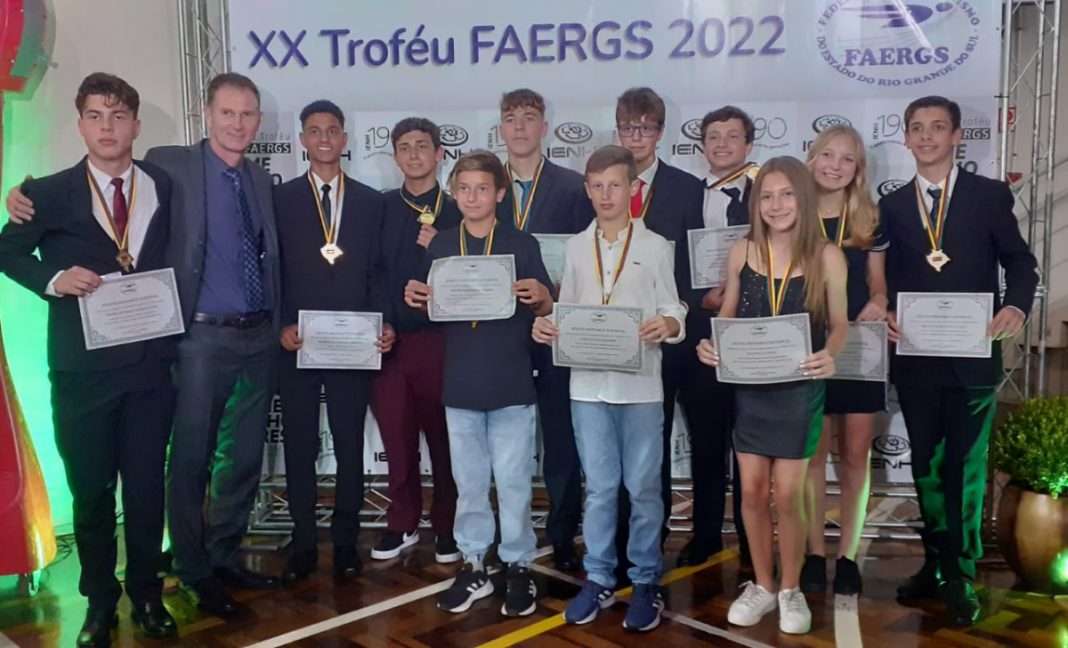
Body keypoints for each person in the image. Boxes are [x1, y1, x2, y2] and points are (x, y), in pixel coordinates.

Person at [0, 72, 178, 646]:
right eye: (96, 116)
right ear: (80, 125)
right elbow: (6, 250)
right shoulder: (47, 192)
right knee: (92, 492)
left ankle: (147, 594)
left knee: (147, 490)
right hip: (82, 373)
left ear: (136, 126)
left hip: (150, 368)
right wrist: (53, 278)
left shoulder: (163, 184)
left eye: (118, 116)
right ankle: (99, 602)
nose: (108, 127)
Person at [883, 96, 1038, 626]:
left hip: (972, 357)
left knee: (965, 468)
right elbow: (885, 277)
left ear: (956, 137)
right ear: (906, 138)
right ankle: (935, 562)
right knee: (926, 468)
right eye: (917, 128)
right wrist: (885, 311)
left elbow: (1020, 262)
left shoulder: (989, 196)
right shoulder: (892, 205)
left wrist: (1016, 305)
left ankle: (961, 572)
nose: (926, 136)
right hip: (917, 358)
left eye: (938, 127)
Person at [533, 145, 686, 631]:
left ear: (632, 189)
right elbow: (569, 309)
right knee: (599, 490)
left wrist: (669, 323)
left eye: (615, 185)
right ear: (587, 190)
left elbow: (675, 307)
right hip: (587, 387)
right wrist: (547, 324)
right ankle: (598, 577)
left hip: (640, 388)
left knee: (643, 490)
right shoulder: (576, 248)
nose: (606, 194)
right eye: (597, 186)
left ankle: (645, 581)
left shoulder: (656, 246)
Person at [697, 156, 848, 635]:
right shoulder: (742, 250)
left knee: (787, 494)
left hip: (800, 388)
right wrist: (710, 344)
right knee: (751, 490)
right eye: (766, 196)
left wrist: (831, 354)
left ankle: (790, 588)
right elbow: (729, 315)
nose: (776, 205)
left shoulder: (827, 255)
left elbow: (840, 323)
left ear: (802, 198)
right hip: (751, 387)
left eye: (786, 195)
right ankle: (762, 585)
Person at [404, 150, 553, 617]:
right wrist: (415, 298)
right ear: (453, 193)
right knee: (468, 483)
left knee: (513, 483)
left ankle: (519, 565)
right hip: (461, 382)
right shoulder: (441, 246)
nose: (473, 197)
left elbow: (546, 306)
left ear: (500, 194)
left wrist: (542, 297)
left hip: (510, 380)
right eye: (464, 188)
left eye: (482, 188)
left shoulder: (521, 243)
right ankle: (473, 565)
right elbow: (429, 309)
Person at [274, 99, 395, 582]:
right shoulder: (281, 199)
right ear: (302, 139)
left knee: (348, 443)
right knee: (300, 444)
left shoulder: (370, 201)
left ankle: (346, 539)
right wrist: (281, 324)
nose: (324, 138)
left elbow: (379, 271)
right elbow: (273, 270)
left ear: (345, 139)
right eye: (314, 130)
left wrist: (384, 323)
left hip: (353, 344)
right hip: (298, 342)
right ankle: (304, 540)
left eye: (332, 130)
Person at [494, 88, 594, 571]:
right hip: (500, 335)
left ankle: (563, 532)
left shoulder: (573, 187)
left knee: (560, 439)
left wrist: (560, 291)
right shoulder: (482, 187)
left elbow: (588, 258)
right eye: (511, 118)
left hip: (556, 329)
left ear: (544, 127)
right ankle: (507, 531)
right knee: (505, 443)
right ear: (500, 128)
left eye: (529, 117)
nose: (519, 127)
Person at [612, 87, 704, 568]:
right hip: (618, 341)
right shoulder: (605, 186)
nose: (636, 137)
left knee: (663, 442)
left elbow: (694, 265)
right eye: (628, 128)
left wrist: (675, 318)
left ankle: (665, 533)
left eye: (645, 128)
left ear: (661, 133)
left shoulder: (686, 188)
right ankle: (626, 534)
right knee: (628, 445)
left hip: (672, 336)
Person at [800, 123, 888, 596]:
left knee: (855, 455)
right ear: (812, 159)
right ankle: (815, 553)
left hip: (857, 344)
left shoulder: (869, 219)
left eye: (847, 159)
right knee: (812, 455)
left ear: (858, 170)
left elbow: (878, 284)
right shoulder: (791, 211)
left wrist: (879, 300)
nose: (835, 166)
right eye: (828, 155)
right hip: (807, 345)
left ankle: (848, 556)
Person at [371, 117, 462, 563]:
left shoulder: (459, 210)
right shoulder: (381, 207)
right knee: (397, 439)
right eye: (404, 147)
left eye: (422, 145)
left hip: (442, 343)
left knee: (446, 441)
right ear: (395, 157)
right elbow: (371, 272)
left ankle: (448, 525)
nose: (413, 154)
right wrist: (382, 323)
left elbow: (474, 280)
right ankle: (403, 521)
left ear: (440, 154)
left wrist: (441, 245)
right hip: (390, 344)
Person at [688, 105, 762, 566]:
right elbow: (672, 260)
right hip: (703, 337)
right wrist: (700, 299)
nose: (722, 144)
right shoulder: (684, 193)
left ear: (748, 145)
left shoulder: (769, 193)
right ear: (702, 146)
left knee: (752, 447)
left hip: (756, 336)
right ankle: (705, 536)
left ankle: (753, 544)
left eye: (732, 136)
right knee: (707, 441)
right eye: (713, 136)